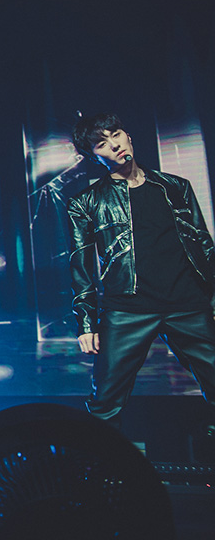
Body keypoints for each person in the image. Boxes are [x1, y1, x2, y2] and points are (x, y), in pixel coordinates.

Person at [68, 113, 215, 433]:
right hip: (127, 310)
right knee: (105, 401)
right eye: (101, 144)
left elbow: (204, 246)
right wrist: (86, 322)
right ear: (94, 157)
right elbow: (80, 264)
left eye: (116, 134)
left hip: (187, 304)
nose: (114, 145)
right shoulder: (86, 202)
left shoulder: (176, 187)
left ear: (128, 136)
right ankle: (100, 463)